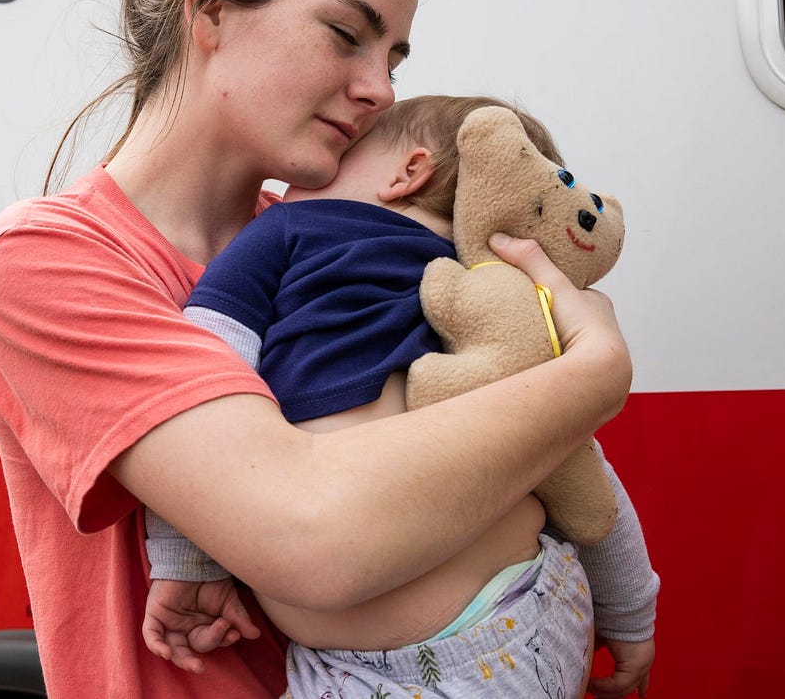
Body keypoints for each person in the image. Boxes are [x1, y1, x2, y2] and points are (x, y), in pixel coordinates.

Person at [0, 0, 632, 698]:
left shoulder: (334, 243)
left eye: (393, 56)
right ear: (212, 10)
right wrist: (593, 374)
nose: (380, 88)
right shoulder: (51, 259)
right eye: (345, 34)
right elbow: (313, 537)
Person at [140, 95, 658, 699]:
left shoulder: (288, 228)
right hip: (542, 610)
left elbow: (198, 396)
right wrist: (630, 615)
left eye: (332, 161)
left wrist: (187, 562)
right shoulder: (488, 291)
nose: (294, 183)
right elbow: (584, 474)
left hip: (388, 668)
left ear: (409, 173)